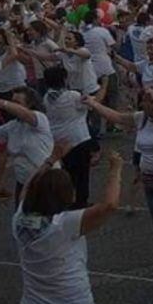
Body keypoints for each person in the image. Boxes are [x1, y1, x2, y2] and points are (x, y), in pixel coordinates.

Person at [14, 149, 123, 304]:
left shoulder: (20, 219)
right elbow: (109, 205)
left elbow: (27, 187)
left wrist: (50, 160)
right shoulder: (63, 225)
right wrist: (115, 170)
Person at [83, 86, 153, 289]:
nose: (145, 105)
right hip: (151, 177)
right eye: (144, 101)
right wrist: (94, 104)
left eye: (148, 102)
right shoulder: (141, 118)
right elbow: (118, 117)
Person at [43, 66, 99, 208]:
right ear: (63, 79)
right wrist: (102, 86)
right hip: (78, 139)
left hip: (59, 139)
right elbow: (93, 104)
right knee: (82, 174)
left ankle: (65, 199)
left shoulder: (47, 97)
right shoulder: (72, 96)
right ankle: (81, 202)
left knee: (66, 172)